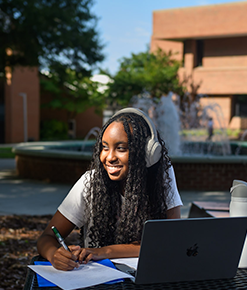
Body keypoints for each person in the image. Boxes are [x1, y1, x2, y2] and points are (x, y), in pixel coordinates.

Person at [37, 107, 183, 271]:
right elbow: (47, 237)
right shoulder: (90, 182)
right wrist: (54, 254)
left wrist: (103, 252)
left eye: (121, 148)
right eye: (105, 147)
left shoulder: (160, 177)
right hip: (96, 282)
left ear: (147, 153)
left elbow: (172, 240)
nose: (109, 157)